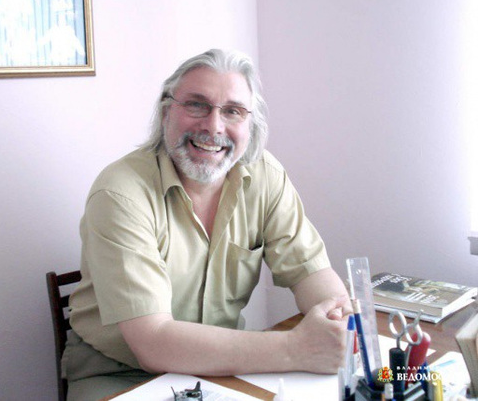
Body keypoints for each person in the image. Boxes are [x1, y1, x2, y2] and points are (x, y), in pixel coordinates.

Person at [63, 49, 352, 401]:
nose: (213, 126)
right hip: (121, 375)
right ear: (167, 112)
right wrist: (295, 349)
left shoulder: (266, 176)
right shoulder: (120, 193)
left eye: (233, 111)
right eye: (197, 105)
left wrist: (337, 319)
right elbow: (152, 342)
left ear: (250, 124)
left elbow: (311, 272)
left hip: (220, 369)